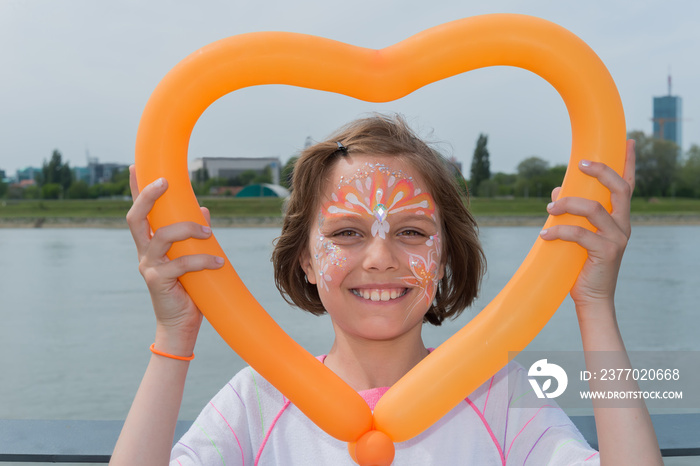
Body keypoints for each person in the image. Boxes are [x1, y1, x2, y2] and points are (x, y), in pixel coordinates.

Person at [111, 114, 662, 465]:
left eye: (412, 232)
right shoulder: (258, 401)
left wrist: (594, 306)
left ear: (444, 255)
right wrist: (174, 333)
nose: (380, 258)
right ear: (305, 258)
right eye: (346, 232)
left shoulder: (503, 398)